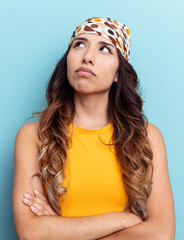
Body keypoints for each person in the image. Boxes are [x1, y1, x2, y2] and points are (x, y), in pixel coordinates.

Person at [12, 16, 175, 239]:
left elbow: (161, 233)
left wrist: (60, 229)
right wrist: (123, 219)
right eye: (79, 45)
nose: (87, 57)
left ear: (118, 73)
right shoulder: (33, 136)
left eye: (105, 49)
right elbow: (31, 232)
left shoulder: (146, 137)